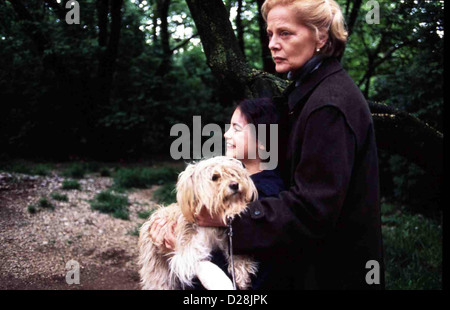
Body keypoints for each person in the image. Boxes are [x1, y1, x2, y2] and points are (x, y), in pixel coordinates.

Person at [194, 0, 385, 289]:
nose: (272, 44)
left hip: (334, 276)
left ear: (320, 36)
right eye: (270, 34)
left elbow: (312, 211)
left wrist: (227, 220)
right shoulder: (308, 91)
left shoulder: (329, 105)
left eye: (285, 33)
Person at [149, 98, 286, 289]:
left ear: (263, 142)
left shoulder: (265, 195)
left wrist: (177, 250)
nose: (226, 134)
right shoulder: (245, 182)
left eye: (236, 129)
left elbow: (234, 280)